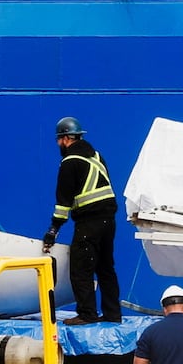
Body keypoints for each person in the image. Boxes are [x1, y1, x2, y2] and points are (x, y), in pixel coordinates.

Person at [42, 117, 122, 325]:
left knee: (80, 269)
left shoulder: (70, 162)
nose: (58, 144)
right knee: (106, 268)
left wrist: (53, 230)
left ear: (66, 138)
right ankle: (113, 315)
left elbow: (63, 203)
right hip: (108, 221)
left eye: (59, 139)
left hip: (89, 223)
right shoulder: (96, 156)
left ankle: (87, 314)